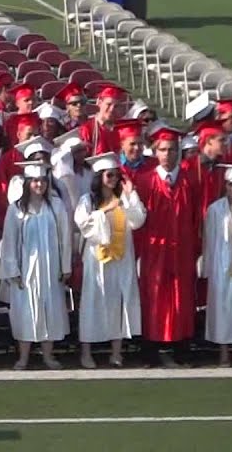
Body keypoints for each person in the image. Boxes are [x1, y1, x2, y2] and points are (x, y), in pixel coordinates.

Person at [132, 125, 199, 368]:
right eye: (162, 150)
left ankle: (181, 349)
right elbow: (137, 219)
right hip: (154, 250)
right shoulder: (145, 180)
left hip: (182, 249)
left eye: (171, 150)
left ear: (178, 152)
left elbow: (196, 217)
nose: (167, 154)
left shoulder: (189, 180)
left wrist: (195, 248)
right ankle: (150, 351)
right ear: (155, 152)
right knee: (154, 297)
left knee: (182, 297)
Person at [75, 152, 146, 368]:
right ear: (99, 177)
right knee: (92, 303)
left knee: (118, 301)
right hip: (97, 260)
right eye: (109, 175)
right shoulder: (87, 200)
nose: (114, 179)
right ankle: (86, 353)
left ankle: (116, 353)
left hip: (121, 259)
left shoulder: (123, 198)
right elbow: (84, 225)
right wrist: (104, 211)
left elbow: (138, 220)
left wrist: (131, 195)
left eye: (116, 175)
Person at [0, 161, 72, 371]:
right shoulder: (16, 209)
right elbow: (9, 241)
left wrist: (65, 266)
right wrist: (12, 270)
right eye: (34, 181)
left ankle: (48, 356)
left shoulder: (56, 206)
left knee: (50, 311)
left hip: (51, 268)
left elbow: (65, 237)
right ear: (27, 183)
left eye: (42, 180)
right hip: (25, 271)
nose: (39, 185)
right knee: (26, 313)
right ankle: (23, 357)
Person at [203, 164, 232, 365]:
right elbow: (209, 240)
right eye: (230, 184)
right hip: (221, 264)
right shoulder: (216, 209)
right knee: (222, 307)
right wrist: (208, 267)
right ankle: (223, 352)